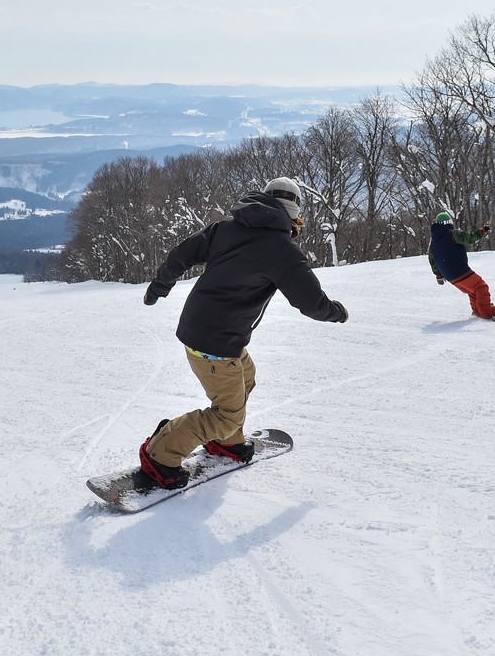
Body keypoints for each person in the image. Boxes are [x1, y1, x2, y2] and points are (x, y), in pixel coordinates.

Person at [138, 177, 349, 489]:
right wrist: (337, 312)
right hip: (215, 341)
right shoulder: (282, 250)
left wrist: (158, 288)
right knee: (227, 414)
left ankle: (225, 440)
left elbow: (181, 254)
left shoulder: (226, 228)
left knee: (245, 377)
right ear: (293, 214)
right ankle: (160, 454)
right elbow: (311, 303)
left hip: (208, 330)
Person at [428, 210, 495, 320]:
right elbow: (469, 238)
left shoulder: (433, 243)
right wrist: (483, 231)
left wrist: (438, 275)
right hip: (460, 271)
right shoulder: (452, 234)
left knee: (473, 292)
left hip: (449, 276)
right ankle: (487, 313)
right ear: (448, 222)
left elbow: (432, 259)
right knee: (481, 287)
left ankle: (478, 312)